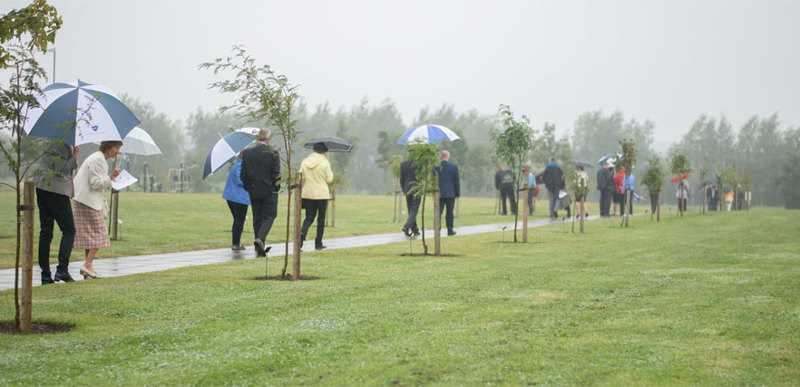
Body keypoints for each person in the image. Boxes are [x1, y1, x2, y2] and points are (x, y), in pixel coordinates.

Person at [72, 141, 122, 279]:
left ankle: (89, 267)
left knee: (89, 235)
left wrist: (110, 179)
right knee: (100, 233)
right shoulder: (98, 159)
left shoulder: (98, 158)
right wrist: (111, 177)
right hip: (87, 200)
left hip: (82, 198)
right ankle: (87, 264)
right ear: (107, 147)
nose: (117, 151)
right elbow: (95, 184)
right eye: (116, 148)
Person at [34, 141, 80, 284]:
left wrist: (73, 160)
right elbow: (62, 169)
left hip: (42, 187)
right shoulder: (61, 145)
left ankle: (46, 274)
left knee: (46, 232)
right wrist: (74, 156)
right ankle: (62, 270)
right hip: (56, 190)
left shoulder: (50, 142)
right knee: (69, 230)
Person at [241, 128, 281, 257]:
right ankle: (260, 239)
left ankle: (259, 244)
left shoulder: (247, 153)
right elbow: (276, 174)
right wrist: (276, 188)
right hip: (269, 190)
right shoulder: (273, 153)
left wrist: (248, 187)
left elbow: (243, 174)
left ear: (257, 139)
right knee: (270, 216)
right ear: (268, 139)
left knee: (257, 217)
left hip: (253, 189)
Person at [299, 142, 333, 250]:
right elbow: (329, 179)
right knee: (321, 219)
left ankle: (302, 234)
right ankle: (318, 243)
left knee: (309, 217)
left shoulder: (304, 162)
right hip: (322, 194)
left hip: (308, 193)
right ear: (324, 152)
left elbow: (301, 178)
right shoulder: (325, 163)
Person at [222, 156, 249, 251]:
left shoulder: (237, 165)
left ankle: (236, 242)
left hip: (232, 197)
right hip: (238, 198)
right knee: (239, 220)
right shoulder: (240, 166)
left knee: (237, 220)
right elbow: (240, 181)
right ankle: (235, 244)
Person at [436, 150, 460, 236]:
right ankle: (450, 229)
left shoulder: (436, 167)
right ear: (448, 157)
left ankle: (437, 229)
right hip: (451, 193)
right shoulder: (454, 167)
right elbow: (456, 181)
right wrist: (457, 194)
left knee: (438, 212)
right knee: (450, 212)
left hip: (439, 194)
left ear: (440, 157)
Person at [400, 156, 421, 237]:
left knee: (410, 210)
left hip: (407, 189)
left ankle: (415, 229)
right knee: (414, 210)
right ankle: (407, 226)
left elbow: (402, 179)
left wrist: (404, 189)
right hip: (416, 189)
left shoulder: (403, 164)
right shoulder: (419, 165)